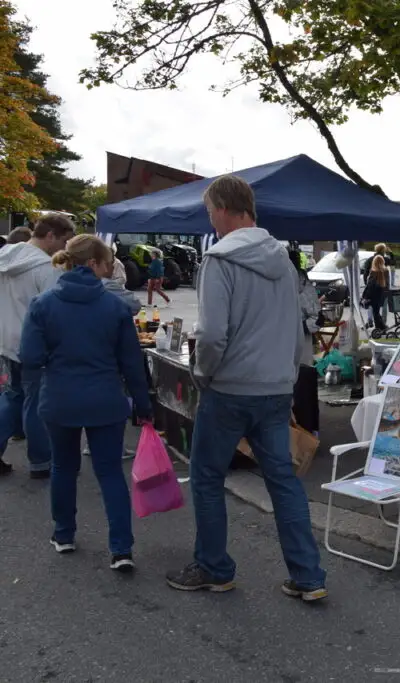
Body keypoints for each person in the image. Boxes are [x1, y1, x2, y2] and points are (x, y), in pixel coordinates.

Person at [165, 174, 327, 601]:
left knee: (205, 477)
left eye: (209, 213)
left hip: (231, 387)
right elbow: (296, 331)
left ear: (221, 208)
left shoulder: (219, 260)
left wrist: (202, 373)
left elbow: (214, 334)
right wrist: (289, 374)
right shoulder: (284, 262)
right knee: (284, 481)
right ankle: (308, 576)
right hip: (275, 386)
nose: (210, 222)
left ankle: (214, 568)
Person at [19, 235, 152, 569]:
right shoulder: (116, 307)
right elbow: (132, 363)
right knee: (109, 471)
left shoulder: (43, 304)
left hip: (60, 398)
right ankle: (121, 548)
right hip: (106, 399)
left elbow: (31, 357)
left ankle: (64, 534)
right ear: (94, 263)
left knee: (64, 467)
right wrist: (143, 404)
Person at [0, 213, 73, 477]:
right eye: (64, 240)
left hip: (7, 339)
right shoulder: (47, 268)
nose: (65, 247)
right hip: (33, 344)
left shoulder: (7, 255)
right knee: (35, 402)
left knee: (13, 397)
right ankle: (41, 460)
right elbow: (54, 312)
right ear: (50, 235)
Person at [290, 248, 320, 436]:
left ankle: (306, 429)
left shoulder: (303, 285)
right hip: (278, 343)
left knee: (301, 384)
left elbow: (316, 318)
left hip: (300, 344)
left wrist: (297, 327)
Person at [362, 255, 389, 332]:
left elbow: (370, 285)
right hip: (382, 293)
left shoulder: (373, 271)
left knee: (375, 312)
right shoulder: (386, 270)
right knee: (376, 311)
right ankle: (382, 326)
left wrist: (366, 296)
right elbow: (387, 283)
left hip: (374, 294)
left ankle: (379, 327)